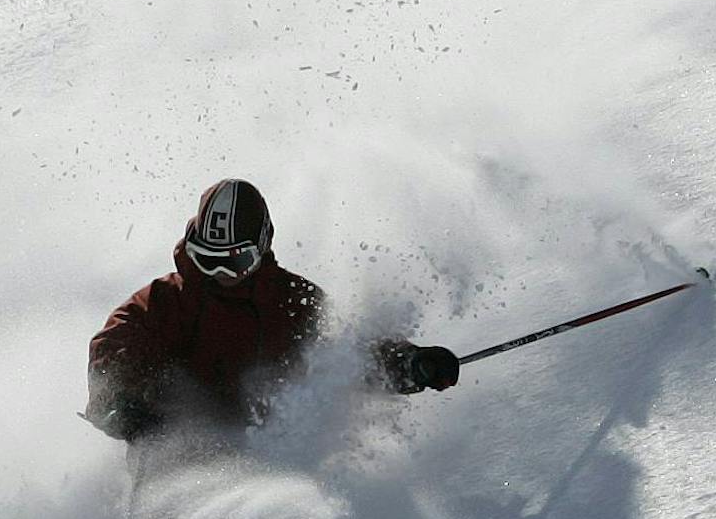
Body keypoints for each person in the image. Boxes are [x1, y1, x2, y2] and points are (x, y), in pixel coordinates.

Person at [86, 178, 460, 442]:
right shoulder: (172, 299)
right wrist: (119, 401)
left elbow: (345, 354)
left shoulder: (292, 301)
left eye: (234, 262)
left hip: (266, 447)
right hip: (183, 441)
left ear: (262, 247)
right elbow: (119, 341)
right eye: (206, 259)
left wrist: (406, 364)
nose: (219, 275)